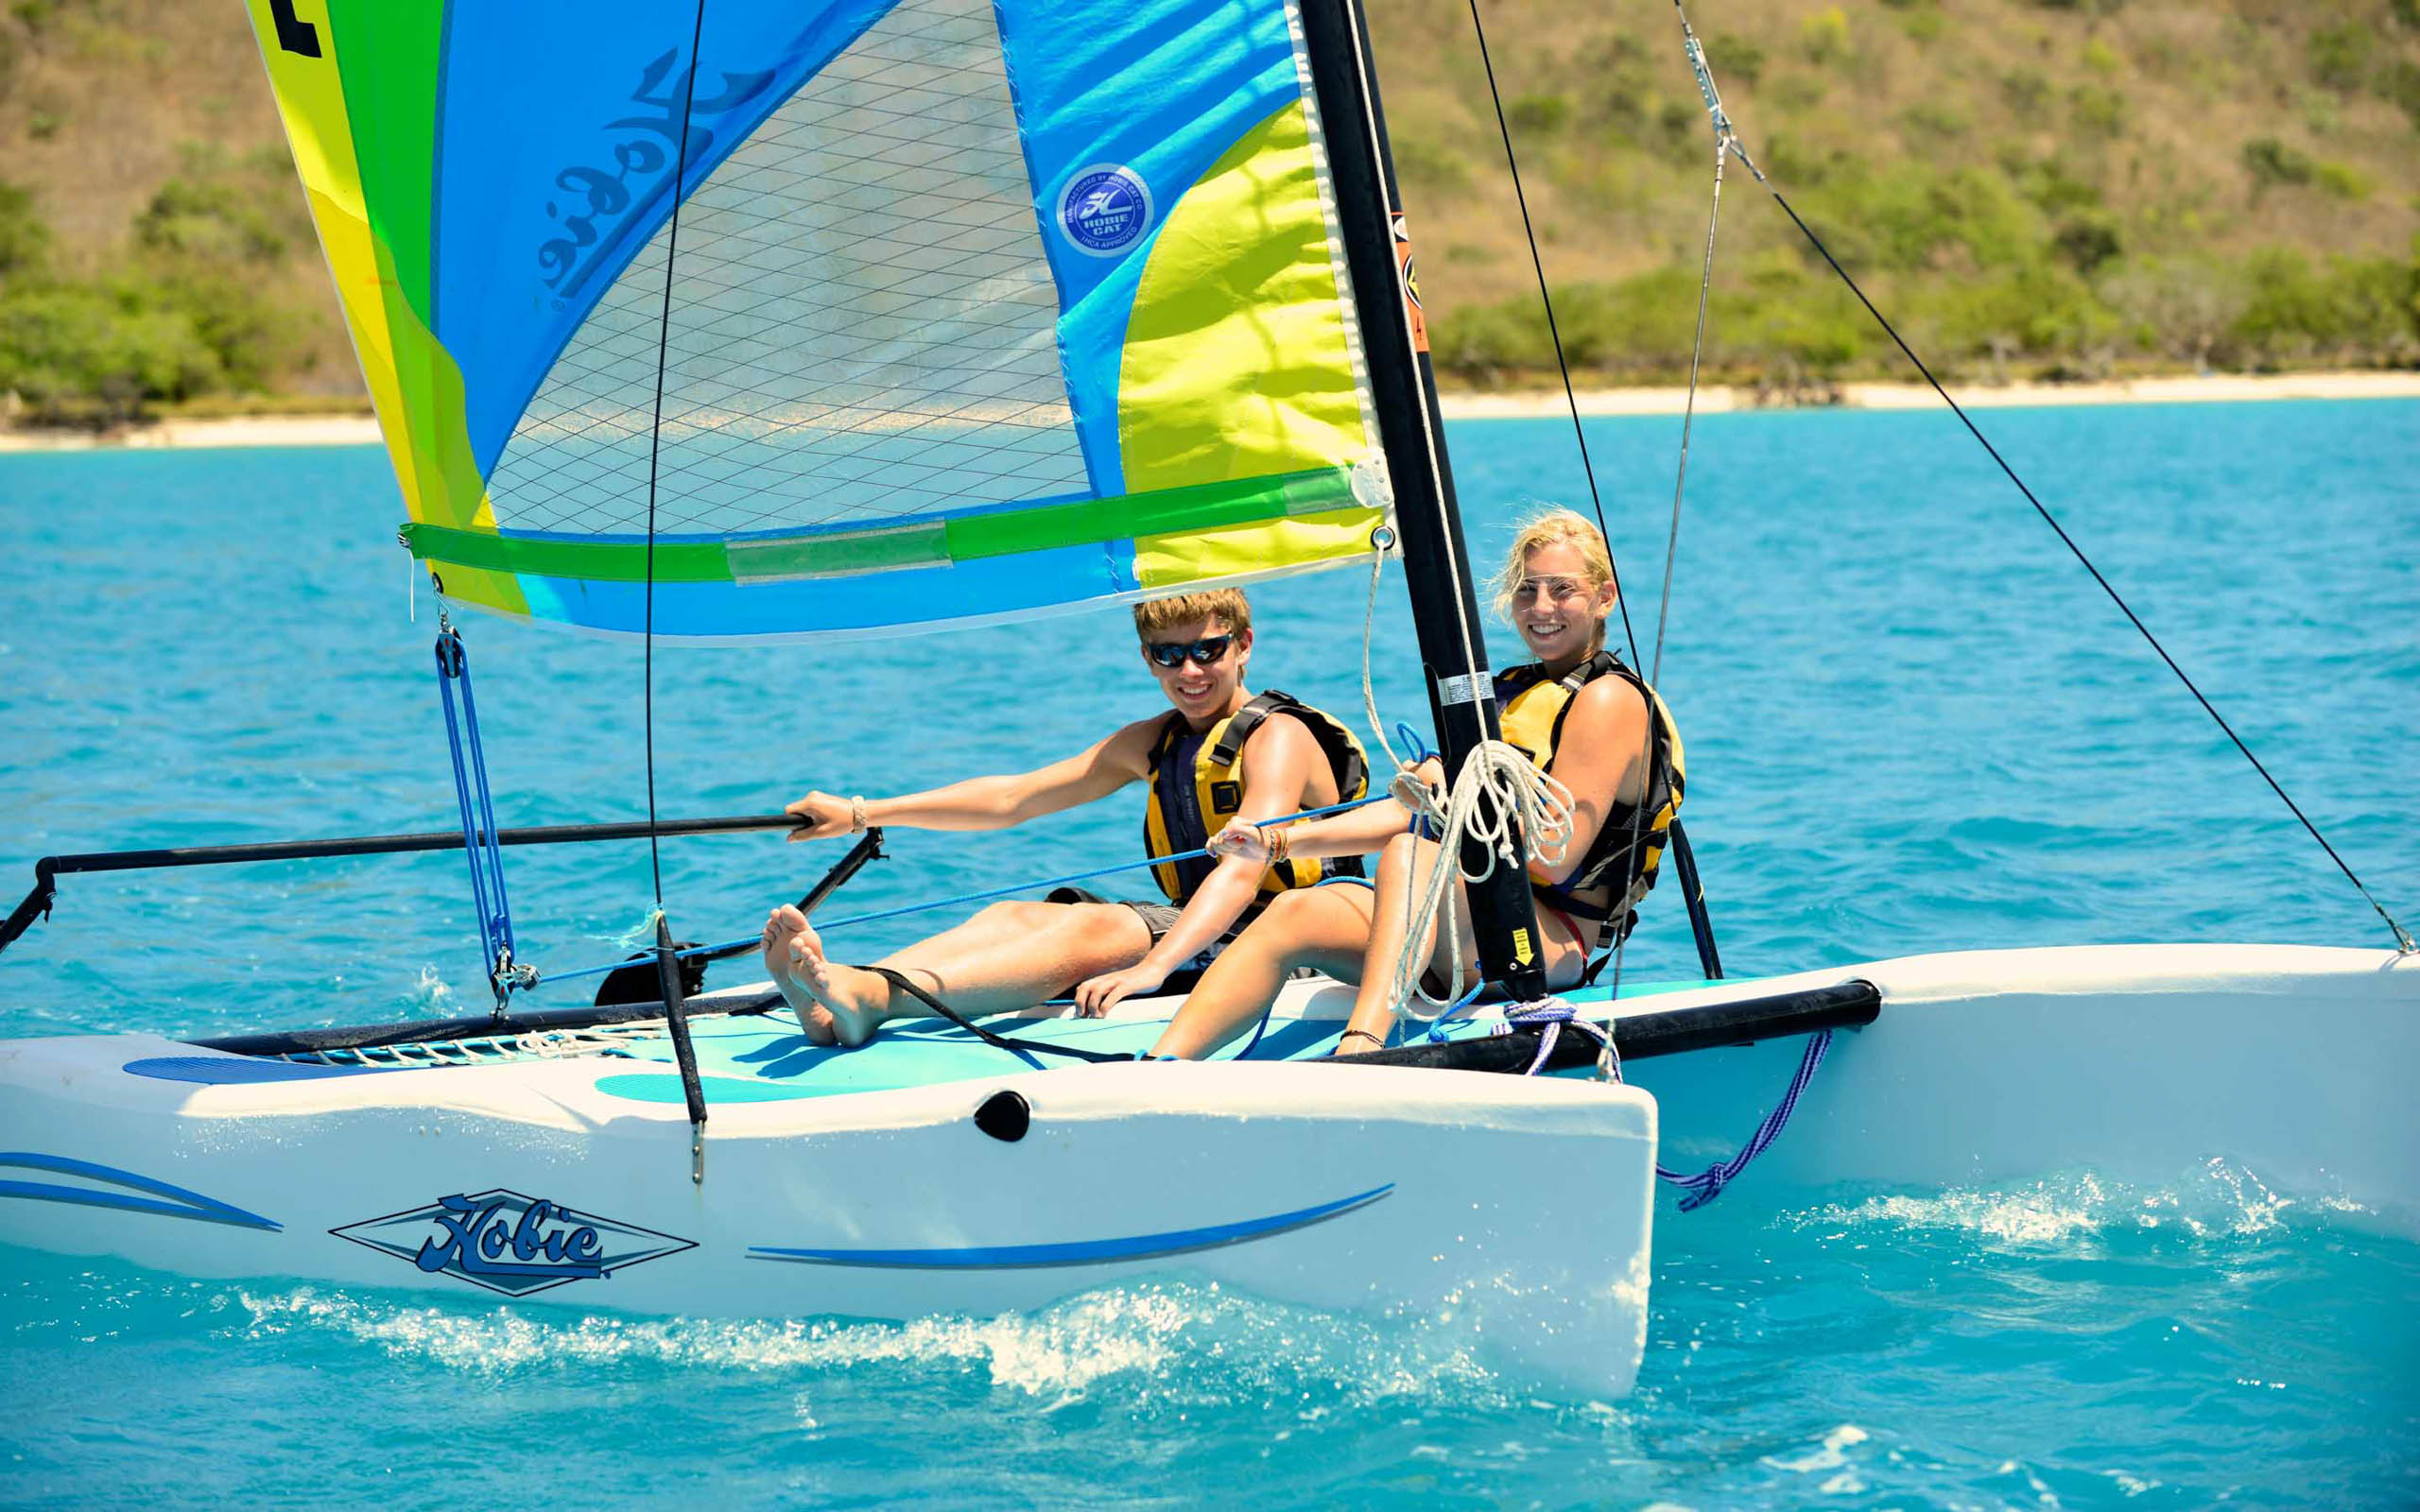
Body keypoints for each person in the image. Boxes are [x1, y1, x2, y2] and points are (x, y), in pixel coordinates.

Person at [1150, 507, 1685, 1059]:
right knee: (1296, 911)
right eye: (1527, 591)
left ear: (1604, 598)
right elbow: (1404, 811)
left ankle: (1361, 1049)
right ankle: (1157, 1068)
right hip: (1461, 920)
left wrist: (1449, 795)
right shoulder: (1503, 691)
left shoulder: (1609, 700)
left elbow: (1553, 858)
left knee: (1410, 856)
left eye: (1562, 590)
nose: (1541, 608)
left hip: (1546, 939)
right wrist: (1278, 842)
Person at [761, 588, 1367, 1046]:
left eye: (1208, 650)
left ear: (1244, 645)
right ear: (1148, 659)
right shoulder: (1155, 741)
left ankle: (873, 998)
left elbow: (1242, 866)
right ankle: (845, 992)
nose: (1190, 672)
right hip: (1205, 926)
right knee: (1015, 915)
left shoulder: (1277, 736)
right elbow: (1013, 799)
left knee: (1101, 929)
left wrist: (1155, 967)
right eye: (1169, 655)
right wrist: (860, 813)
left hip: (1290, 941)